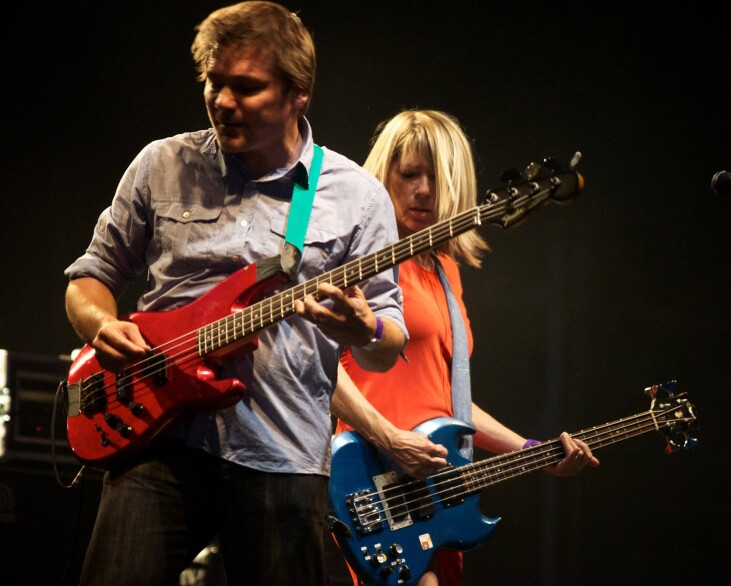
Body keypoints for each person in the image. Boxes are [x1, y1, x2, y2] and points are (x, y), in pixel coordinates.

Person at [63, 2, 408, 584]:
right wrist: (100, 323)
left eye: (245, 87)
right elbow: (89, 276)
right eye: (213, 82)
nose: (223, 101)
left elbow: (387, 341)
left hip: (283, 456)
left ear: (299, 93)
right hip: (158, 441)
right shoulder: (161, 164)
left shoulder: (358, 198)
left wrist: (362, 329)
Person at [329, 109, 600, 586]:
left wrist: (533, 450)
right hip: (373, 494)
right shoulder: (360, 258)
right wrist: (389, 439)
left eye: (437, 177)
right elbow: (314, 367)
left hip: (433, 499)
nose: (424, 190)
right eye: (409, 174)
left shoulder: (445, 272)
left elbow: (449, 402)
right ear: (382, 176)